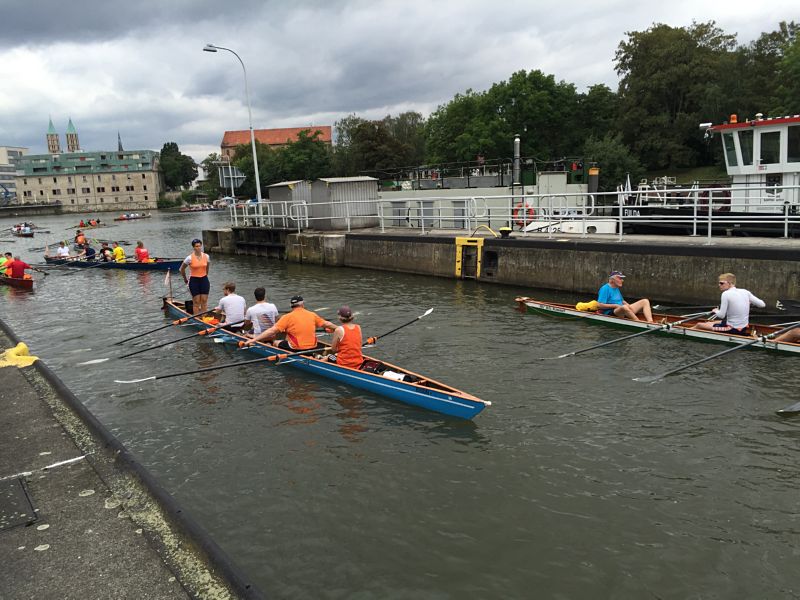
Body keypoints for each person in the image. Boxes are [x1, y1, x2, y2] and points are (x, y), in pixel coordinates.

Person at [244, 295, 336, 351]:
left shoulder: (287, 317)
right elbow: (327, 324)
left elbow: (271, 331)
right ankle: (316, 356)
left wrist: (253, 340)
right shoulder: (313, 315)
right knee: (289, 334)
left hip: (297, 348)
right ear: (302, 305)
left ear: (291, 306)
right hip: (314, 346)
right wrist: (338, 329)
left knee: (276, 342)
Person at [694, 273, 765, 335]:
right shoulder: (745, 292)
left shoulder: (726, 294)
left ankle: (686, 332)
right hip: (744, 328)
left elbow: (721, 315)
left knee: (699, 325)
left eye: (722, 283)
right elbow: (762, 305)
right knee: (710, 322)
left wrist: (715, 311)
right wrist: (748, 303)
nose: (719, 285)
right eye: (719, 283)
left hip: (731, 329)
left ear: (730, 283)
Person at [180, 238, 210, 315]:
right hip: (194, 280)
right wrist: (185, 279)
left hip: (204, 279)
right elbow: (181, 269)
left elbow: (207, 267)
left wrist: (205, 275)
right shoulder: (189, 258)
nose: (199, 248)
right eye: (197, 246)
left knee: (204, 300)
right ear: (193, 247)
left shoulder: (206, 256)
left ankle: (204, 318)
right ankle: (196, 318)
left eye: (200, 246)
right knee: (196, 301)